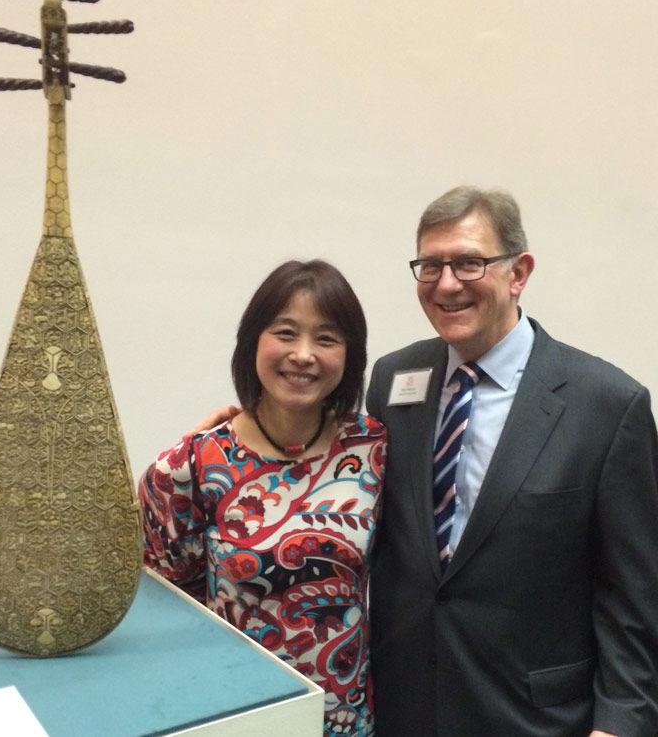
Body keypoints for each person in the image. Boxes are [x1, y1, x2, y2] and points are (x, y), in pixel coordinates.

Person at [366, 186, 658, 736]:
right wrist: (249, 424)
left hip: (535, 717)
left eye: (469, 262)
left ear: (518, 273)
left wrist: (621, 723)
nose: (446, 283)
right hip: (407, 705)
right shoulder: (393, 380)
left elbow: (633, 597)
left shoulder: (607, 405)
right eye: (430, 265)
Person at [139, 259, 387, 737]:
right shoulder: (189, 466)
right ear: (253, 341)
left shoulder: (373, 447)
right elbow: (164, 610)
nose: (303, 354)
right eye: (286, 333)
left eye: (327, 339)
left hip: (346, 715)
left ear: (350, 357)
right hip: (237, 711)